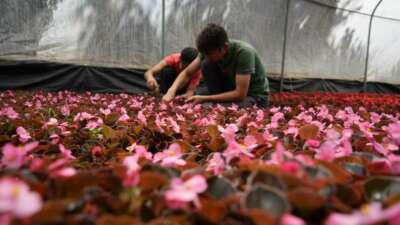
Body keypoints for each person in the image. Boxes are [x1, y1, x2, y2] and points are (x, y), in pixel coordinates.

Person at [162, 23, 270, 108]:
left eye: (209, 53)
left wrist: (206, 99)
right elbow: (187, 72)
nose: (206, 56)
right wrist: (171, 91)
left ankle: (215, 101)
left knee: (206, 106)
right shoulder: (208, 51)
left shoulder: (244, 53)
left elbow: (240, 94)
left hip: (254, 97)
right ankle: (215, 100)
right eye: (204, 53)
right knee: (206, 64)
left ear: (224, 47)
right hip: (229, 90)